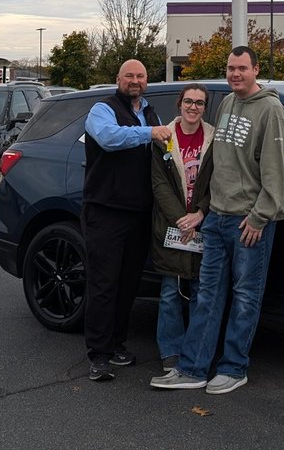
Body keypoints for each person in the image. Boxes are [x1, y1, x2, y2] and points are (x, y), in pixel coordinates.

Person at [150, 45, 284, 395]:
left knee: (245, 296)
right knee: (208, 296)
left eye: (242, 68)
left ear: (256, 70)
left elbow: (276, 171)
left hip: (248, 221)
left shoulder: (271, 109)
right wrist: (205, 211)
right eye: (230, 68)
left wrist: (260, 217)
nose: (235, 74)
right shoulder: (227, 103)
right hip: (216, 218)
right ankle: (193, 368)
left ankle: (233, 367)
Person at [82, 59, 172, 382]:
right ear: (118, 78)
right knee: (103, 284)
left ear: (147, 81)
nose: (135, 81)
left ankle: (117, 344)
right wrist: (150, 133)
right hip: (105, 211)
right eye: (129, 76)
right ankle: (99, 355)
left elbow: (165, 151)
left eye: (141, 76)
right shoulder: (101, 110)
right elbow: (109, 138)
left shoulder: (150, 112)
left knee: (128, 284)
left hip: (139, 213)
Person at [151, 84, 214, 371]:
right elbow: (159, 184)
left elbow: (219, 180)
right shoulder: (164, 137)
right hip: (171, 225)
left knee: (202, 292)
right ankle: (170, 352)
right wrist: (181, 218)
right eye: (188, 101)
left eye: (199, 103)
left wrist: (200, 212)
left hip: (203, 225)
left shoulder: (214, 139)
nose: (193, 107)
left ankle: (195, 352)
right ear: (179, 104)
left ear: (205, 107)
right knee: (169, 292)